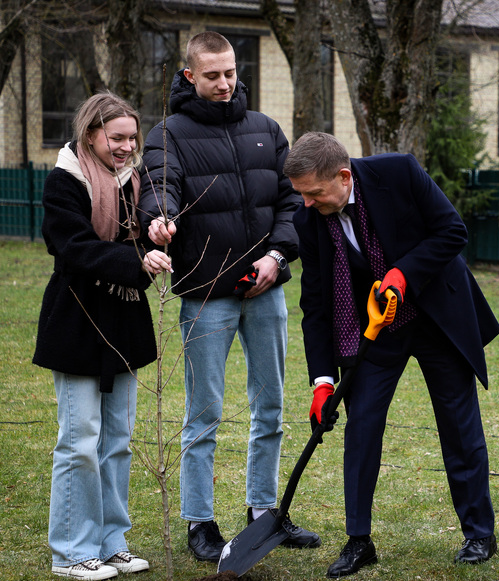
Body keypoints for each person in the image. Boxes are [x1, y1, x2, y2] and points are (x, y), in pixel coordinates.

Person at [285, 131, 499, 577]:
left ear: (344, 177)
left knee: (459, 425)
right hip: (375, 327)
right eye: (301, 194)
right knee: (361, 425)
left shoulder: (398, 172)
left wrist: (404, 273)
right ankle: (358, 540)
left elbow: (452, 231)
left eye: (314, 193)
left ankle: (479, 531)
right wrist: (323, 382)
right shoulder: (308, 219)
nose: (306, 203)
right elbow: (316, 304)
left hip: (435, 314)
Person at [138, 31, 319, 562]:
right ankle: (200, 522)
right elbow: (158, 187)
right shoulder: (168, 133)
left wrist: (278, 256)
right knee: (205, 413)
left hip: (265, 291)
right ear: (190, 75)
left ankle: (264, 514)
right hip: (204, 295)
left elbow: (293, 204)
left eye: (231, 73)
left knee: (271, 408)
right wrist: (159, 221)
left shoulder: (267, 130)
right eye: (212, 75)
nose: (224, 83)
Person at [33, 92, 172, 579]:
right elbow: (73, 246)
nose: (127, 146)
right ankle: (72, 551)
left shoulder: (136, 183)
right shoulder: (63, 182)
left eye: (133, 137)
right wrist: (137, 261)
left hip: (125, 324)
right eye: (117, 137)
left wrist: (156, 234)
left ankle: (112, 543)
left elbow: (141, 229)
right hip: (76, 323)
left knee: (117, 440)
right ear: (90, 132)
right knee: (79, 441)